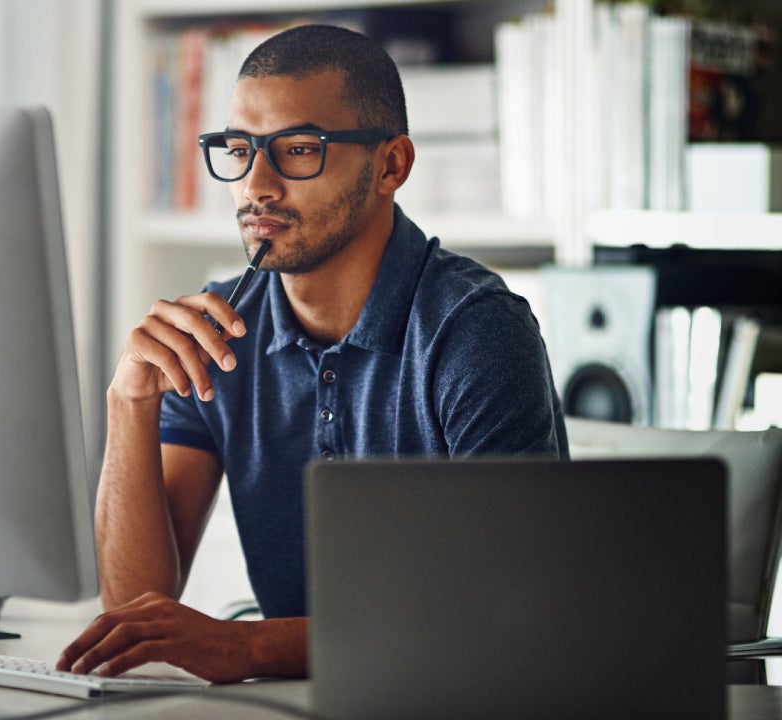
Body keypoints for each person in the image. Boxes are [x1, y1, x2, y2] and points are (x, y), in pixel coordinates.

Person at [56, 23, 568, 684]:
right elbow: (134, 614)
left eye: (298, 149)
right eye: (239, 149)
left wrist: (247, 648)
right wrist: (128, 402)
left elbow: (505, 613)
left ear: (391, 165)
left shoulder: (476, 331)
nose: (256, 185)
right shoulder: (218, 329)